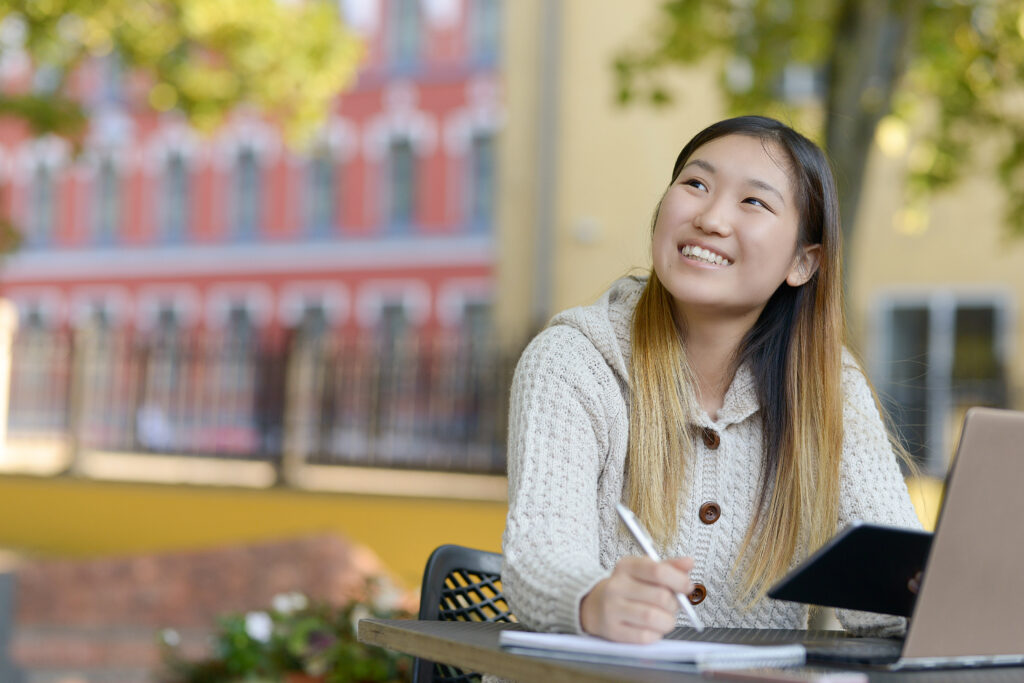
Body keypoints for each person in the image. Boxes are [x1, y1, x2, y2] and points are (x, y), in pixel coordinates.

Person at [501, 115, 922, 644]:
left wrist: (943, 600)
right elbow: (539, 557)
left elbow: (893, 595)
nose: (711, 218)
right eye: (695, 185)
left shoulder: (828, 385)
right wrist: (592, 600)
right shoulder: (573, 362)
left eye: (753, 202)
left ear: (803, 261)